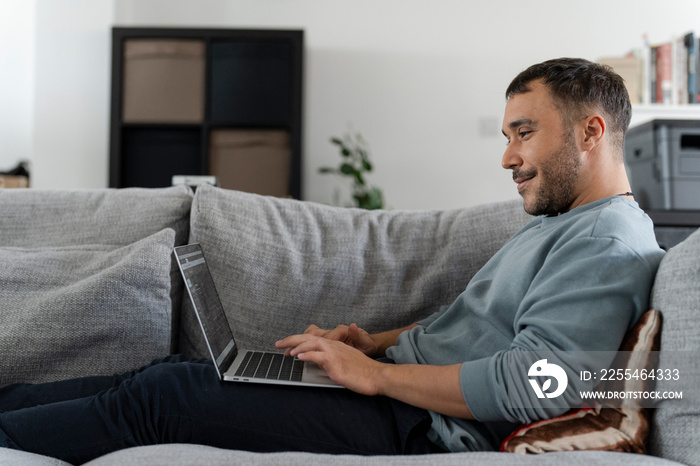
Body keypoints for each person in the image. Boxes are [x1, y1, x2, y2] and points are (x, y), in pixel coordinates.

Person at [0, 58, 665, 463]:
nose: (507, 156)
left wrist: (374, 378)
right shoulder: (564, 222)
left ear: (590, 131)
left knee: (165, 398)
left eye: (524, 132)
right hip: (402, 399)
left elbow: (541, 384)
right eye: (506, 135)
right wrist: (372, 344)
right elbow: (480, 327)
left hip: (423, 428)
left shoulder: (605, 244)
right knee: (175, 372)